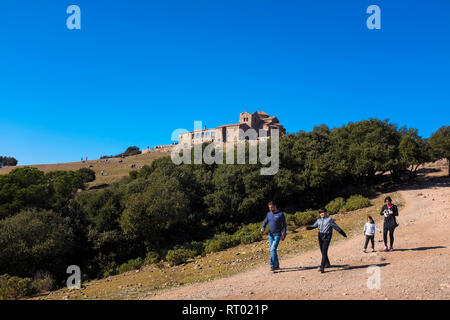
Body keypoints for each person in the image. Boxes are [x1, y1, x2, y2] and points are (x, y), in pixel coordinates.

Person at [306, 208, 347, 273]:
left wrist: (343, 233)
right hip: (320, 235)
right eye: (320, 213)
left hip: (327, 236)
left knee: (324, 251)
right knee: (322, 251)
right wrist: (308, 228)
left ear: (326, 212)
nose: (322, 214)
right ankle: (327, 263)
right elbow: (314, 226)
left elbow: (336, 227)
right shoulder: (318, 220)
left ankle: (322, 267)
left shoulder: (329, 220)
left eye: (323, 212)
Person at [260, 201, 287, 272]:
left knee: (272, 249)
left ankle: (272, 266)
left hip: (277, 235)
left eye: (271, 207)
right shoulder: (268, 214)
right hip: (270, 235)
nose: (270, 209)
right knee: (273, 250)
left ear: (275, 206)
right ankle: (277, 265)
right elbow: (265, 221)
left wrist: (284, 235)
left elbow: (284, 226)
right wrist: (263, 227)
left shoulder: (280, 214)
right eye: (269, 207)